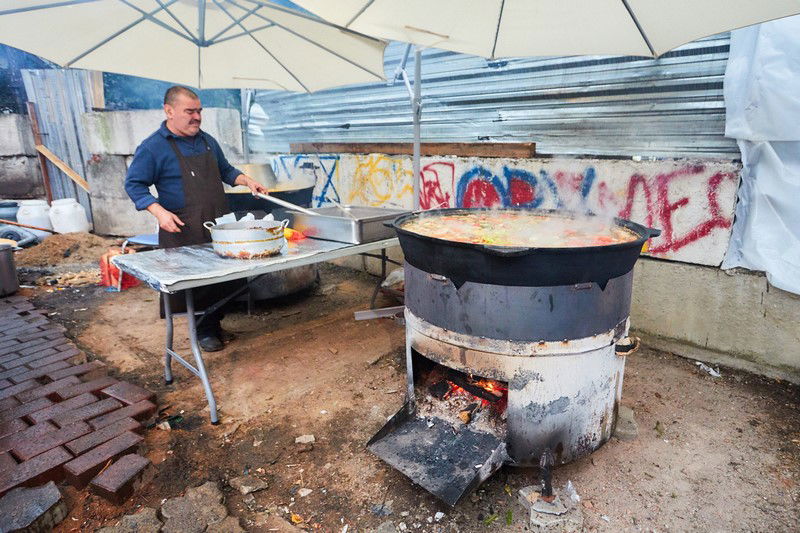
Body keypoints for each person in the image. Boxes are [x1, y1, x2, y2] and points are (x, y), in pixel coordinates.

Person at [125, 86, 268, 352]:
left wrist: (247, 181)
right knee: (196, 286)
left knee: (225, 279)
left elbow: (226, 170)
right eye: (189, 111)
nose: (197, 117)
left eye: (199, 111)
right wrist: (159, 211)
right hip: (183, 229)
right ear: (169, 111)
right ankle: (203, 330)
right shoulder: (153, 147)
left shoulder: (206, 141)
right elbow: (134, 185)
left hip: (219, 225)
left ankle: (214, 322)